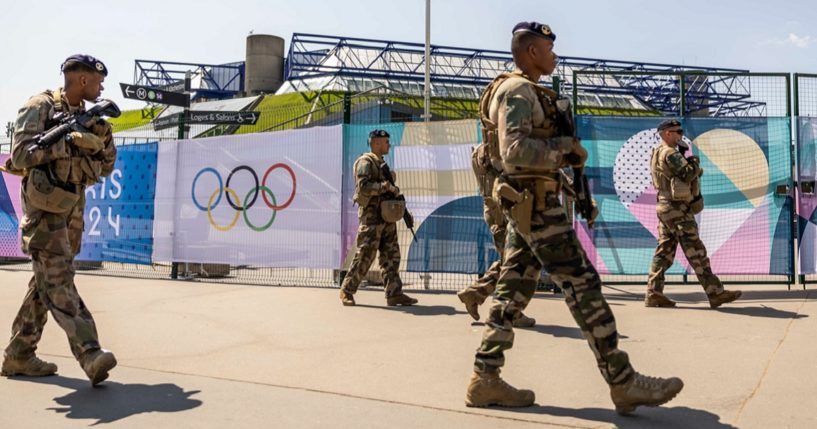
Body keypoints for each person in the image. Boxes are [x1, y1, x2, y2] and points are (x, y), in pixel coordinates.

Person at [464, 22, 684, 414]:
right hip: (536, 208)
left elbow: (526, 163)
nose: (555, 55)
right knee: (582, 284)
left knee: (512, 290)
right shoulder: (517, 91)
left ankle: (485, 378)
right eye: (549, 48)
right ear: (532, 52)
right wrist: (564, 149)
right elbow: (514, 152)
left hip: (530, 204)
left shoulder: (527, 90)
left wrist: (567, 185)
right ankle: (623, 381)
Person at [1, 54, 118, 386]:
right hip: (44, 213)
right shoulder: (38, 107)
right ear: (82, 80)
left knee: (45, 284)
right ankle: (90, 352)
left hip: (72, 214)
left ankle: (19, 355)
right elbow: (21, 156)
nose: (101, 86)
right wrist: (65, 142)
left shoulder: (93, 118)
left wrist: (97, 142)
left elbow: (107, 166)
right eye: (97, 81)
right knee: (58, 281)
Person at [645, 119, 742, 308]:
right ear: (667, 133)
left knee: (664, 252)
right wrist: (694, 162)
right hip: (677, 209)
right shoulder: (670, 153)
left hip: (666, 207)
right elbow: (689, 174)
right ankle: (715, 293)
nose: (680, 135)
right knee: (696, 251)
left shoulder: (658, 151)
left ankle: (654, 293)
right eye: (677, 131)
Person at [456, 137, 536, 327]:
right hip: (506, 214)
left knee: (509, 261)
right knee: (514, 262)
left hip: (495, 213)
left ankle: (474, 294)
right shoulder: (498, 151)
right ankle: (510, 312)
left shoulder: (479, 150)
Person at [339, 129, 418, 307]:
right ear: (376, 143)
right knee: (365, 254)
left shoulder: (381, 163)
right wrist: (386, 188)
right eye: (385, 141)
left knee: (391, 256)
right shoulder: (365, 162)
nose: (388, 144)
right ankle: (347, 290)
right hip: (372, 217)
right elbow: (363, 187)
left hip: (385, 217)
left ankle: (394, 293)